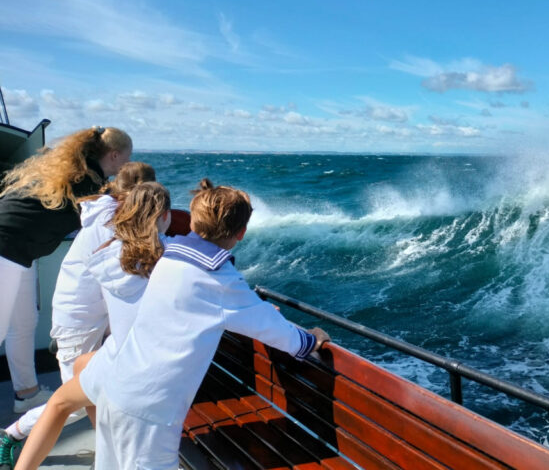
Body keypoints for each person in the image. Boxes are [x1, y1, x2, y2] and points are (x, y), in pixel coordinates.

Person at [14, 178, 329, 470]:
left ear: (192, 221)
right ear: (241, 233)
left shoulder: (168, 257)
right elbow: (282, 336)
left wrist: (249, 307)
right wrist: (311, 338)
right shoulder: (220, 281)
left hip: (115, 384)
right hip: (149, 411)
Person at [0, 162, 156, 465]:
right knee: (75, 399)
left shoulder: (109, 215)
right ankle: (11, 434)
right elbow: (123, 277)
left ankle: (112, 454)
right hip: (78, 324)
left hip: (91, 319)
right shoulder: (107, 224)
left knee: (97, 391)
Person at [0, 127, 132, 413]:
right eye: (125, 160)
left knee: (23, 324)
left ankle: (26, 394)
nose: (125, 167)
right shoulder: (88, 184)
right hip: (5, 247)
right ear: (114, 155)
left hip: (20, 251)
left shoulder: (70, 172)